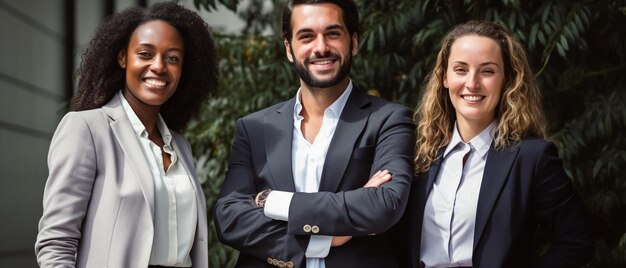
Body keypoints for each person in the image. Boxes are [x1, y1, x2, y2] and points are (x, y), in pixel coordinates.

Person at [214, 0, 415, 267]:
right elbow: (230, 218)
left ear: (353, 42)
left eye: (332, 34)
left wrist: (272, 200)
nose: (321, 48)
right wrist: (323, 238)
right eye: (306, 36)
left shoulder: (389, 119)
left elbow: (384, 204)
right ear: (289, 49)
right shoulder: (255, 128)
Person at [395, 20, 594, 267]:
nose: (472, 83)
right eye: (460, 69)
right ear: (444, 77)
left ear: (507, 80)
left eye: (487, 71)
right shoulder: (418, 152)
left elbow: (576, 242)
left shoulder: (532, 158)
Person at [34, 2, 218, 268]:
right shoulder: (87, 129)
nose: (159, 66)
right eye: (145, 54)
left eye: (172, 58)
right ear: (123, 58)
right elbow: (57, 241)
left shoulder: (179, 145)